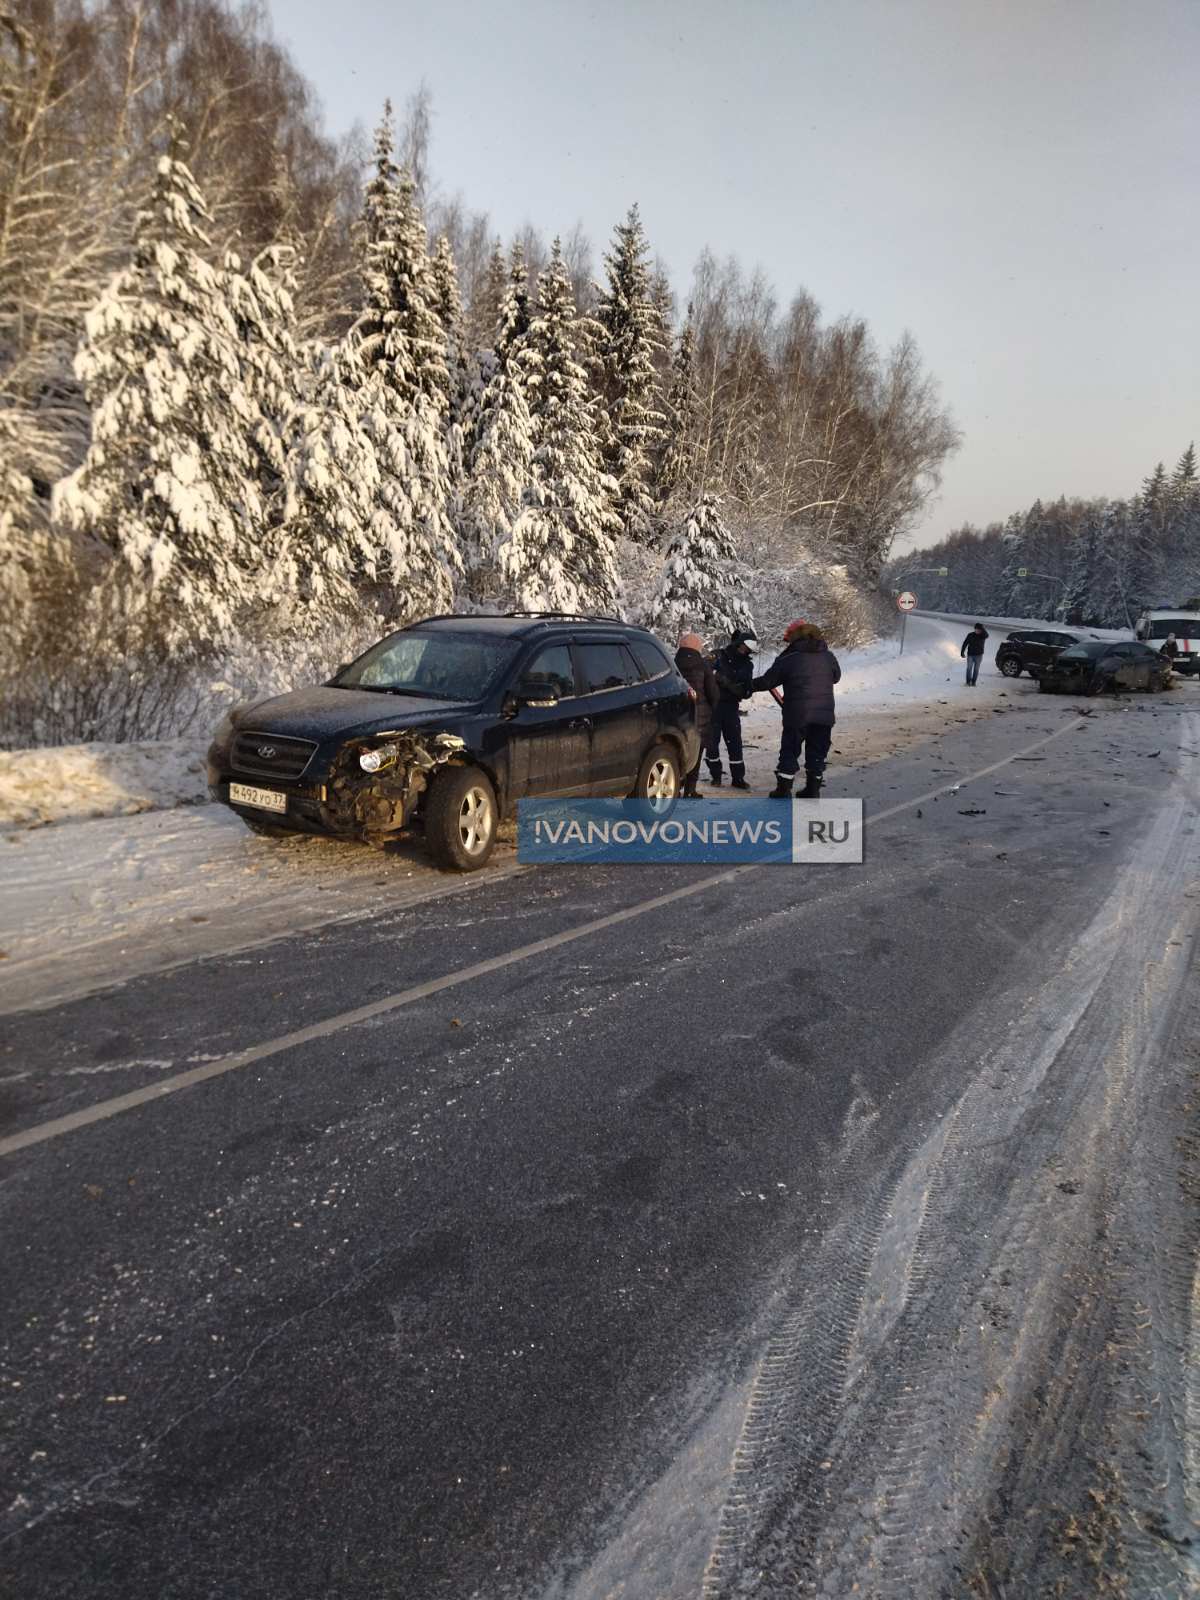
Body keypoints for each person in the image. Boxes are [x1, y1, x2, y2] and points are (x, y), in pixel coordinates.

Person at [752, 620, 841, 799]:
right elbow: (836, 677)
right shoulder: (828, 656)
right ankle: (813, 789)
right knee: (817, 751)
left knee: (790, 750)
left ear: (795, 637)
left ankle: (783, 790)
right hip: (824, 714)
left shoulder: (790, 657)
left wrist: (745, 687)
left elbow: (768, 681)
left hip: (798, 714)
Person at [706, 628, 756, 788]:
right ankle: (716, 775)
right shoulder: (718, 656)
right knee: (712, 743)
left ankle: (738, 778)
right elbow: (702, 670)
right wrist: (714, 677)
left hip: (731, 708)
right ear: (738, 644)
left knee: (734, 743)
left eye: (748, 649)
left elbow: (747, 691)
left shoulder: (748, 665)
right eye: (744, 647)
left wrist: (729, 684)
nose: (745, 651)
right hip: (712, 707)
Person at [674, 632, 719, 797]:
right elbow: (713, 692)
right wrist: (713, 708)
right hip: (700, 716)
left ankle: (675, 786)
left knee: (678, 751)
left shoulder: (673, 663)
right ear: (697, 647)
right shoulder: (703, 665)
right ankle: (690, 790)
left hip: (679, 716)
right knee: (696, 753)